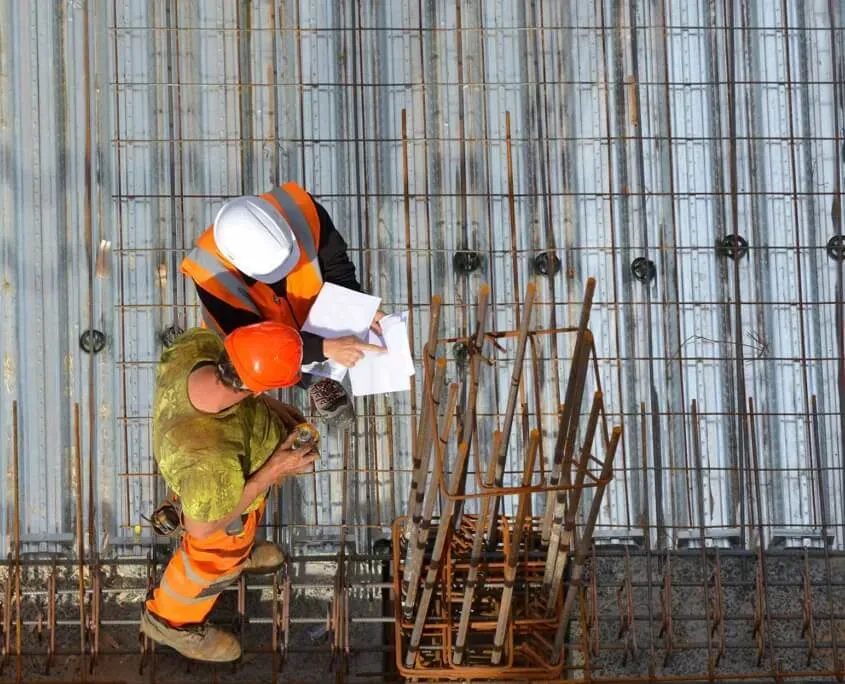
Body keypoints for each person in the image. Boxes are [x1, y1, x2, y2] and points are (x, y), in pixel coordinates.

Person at [139, 321, 319, 662]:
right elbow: (202, 527)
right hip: (215, 516)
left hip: (214, 483)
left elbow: (242, 385)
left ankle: (240, 553)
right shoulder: (209, 460)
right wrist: (274, 470)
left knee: (237, 534)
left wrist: (275, 414)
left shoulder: (200, 347)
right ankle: (171, 624)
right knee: (210, 561)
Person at [180, 182, 385, 426]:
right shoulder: (210, 274)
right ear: (239, 263)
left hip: (313, 311)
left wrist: (357, 305)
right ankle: (315, 380)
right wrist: (324, 348)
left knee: (326, 346)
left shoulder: (301, 210)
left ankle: (321, 370)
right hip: (260, 336)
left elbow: (337, 267)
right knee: (276, 366)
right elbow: (260, 348)